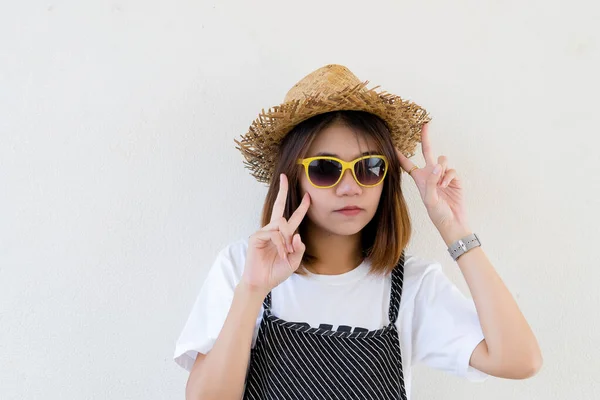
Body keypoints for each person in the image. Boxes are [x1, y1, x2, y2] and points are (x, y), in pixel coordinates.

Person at [173, 64, 543, 400]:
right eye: (325, 168)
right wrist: (252, 291)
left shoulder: (412, 286)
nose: (349, 187)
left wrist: (453, 227)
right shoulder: (242, 268)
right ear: (294, 177)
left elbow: (520, 359)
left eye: (367, 167)